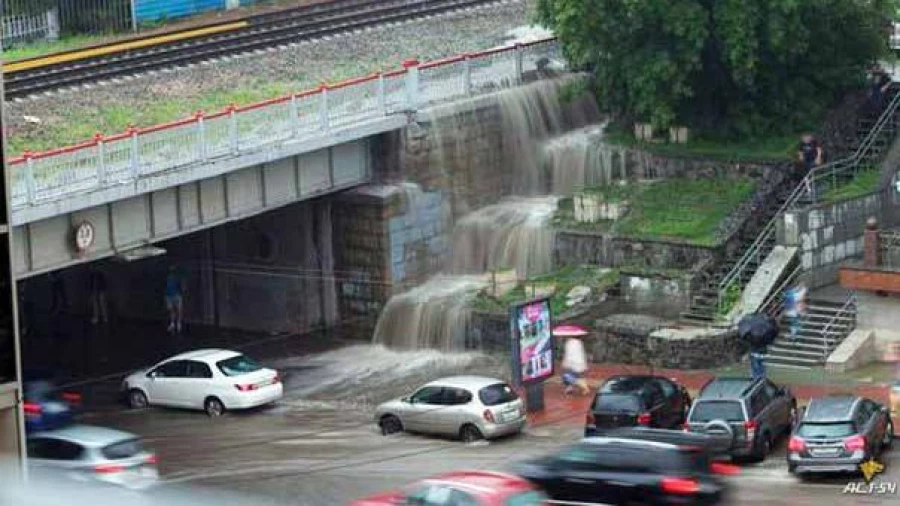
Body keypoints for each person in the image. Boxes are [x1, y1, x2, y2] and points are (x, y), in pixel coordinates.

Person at [165, 266, 185, 334]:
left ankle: (179, 323)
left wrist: (181, 292)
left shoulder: (177, 277)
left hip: (176, 295)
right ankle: (172, 324)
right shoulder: (167, 277)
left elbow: (182, 285)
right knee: (171, 310)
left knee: (179, 310)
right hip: (169, 296)